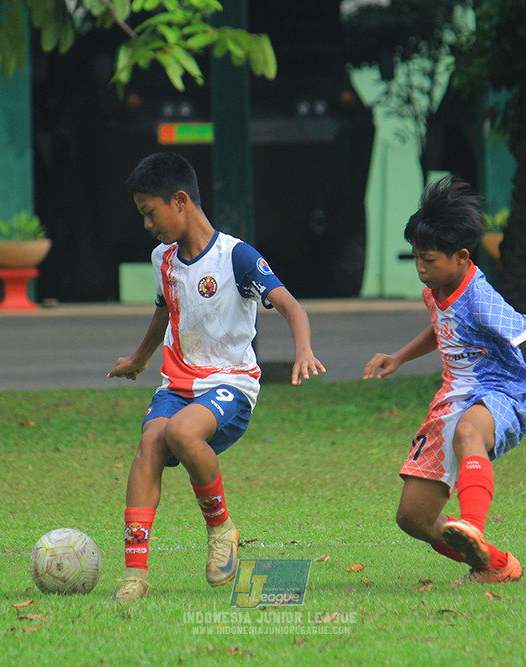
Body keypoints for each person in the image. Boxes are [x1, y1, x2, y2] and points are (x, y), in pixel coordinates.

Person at [363, 176, 526, 586]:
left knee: (470, 431)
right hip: (451, 398)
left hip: (498, 393)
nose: (420, 268)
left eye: (428, 259)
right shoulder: (436, 288)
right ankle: (493, 563)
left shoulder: (481, 297)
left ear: (461, 256)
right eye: (416, 257)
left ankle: (472, 525)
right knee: (413, 518)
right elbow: (444, 328)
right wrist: (400, 356)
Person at [108, 152, 326, 600]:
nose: (147, 225)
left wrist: (302, 349)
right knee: (151, 440)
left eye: (150, 213)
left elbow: (291, 306)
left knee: (183, 433)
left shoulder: (236, 256)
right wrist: (138, 359)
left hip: (231, 383)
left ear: (180, 200)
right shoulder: (162, 259)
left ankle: (221, 528)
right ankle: (135, 576)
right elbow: (164, 311)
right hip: (177, 383)